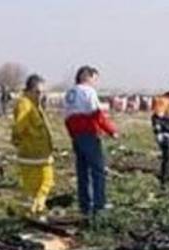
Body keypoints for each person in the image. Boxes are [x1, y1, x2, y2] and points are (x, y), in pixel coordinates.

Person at [63, 65, 118, 217]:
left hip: (77, 136)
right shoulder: (88, 91)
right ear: (87, 76)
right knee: (97, 170)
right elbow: (97, 114)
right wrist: (111, 130)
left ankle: (85, 205)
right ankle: (99, 204)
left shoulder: (69, 93)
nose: (95, 82)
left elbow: (67, 118)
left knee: (82, 171)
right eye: (95, 78)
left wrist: (73, 134)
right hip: (89, 134)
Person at [12, 73, 56, 219]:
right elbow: (19, 126)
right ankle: (32, 211)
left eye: (42, 92)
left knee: (44, 182)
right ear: (29, 90)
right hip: (31, 154)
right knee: (37, 185)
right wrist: (19, 141)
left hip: (40, 153)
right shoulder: (24, 104)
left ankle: (35, 209)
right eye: (37, 92)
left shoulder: (35, 104)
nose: (40, 95)